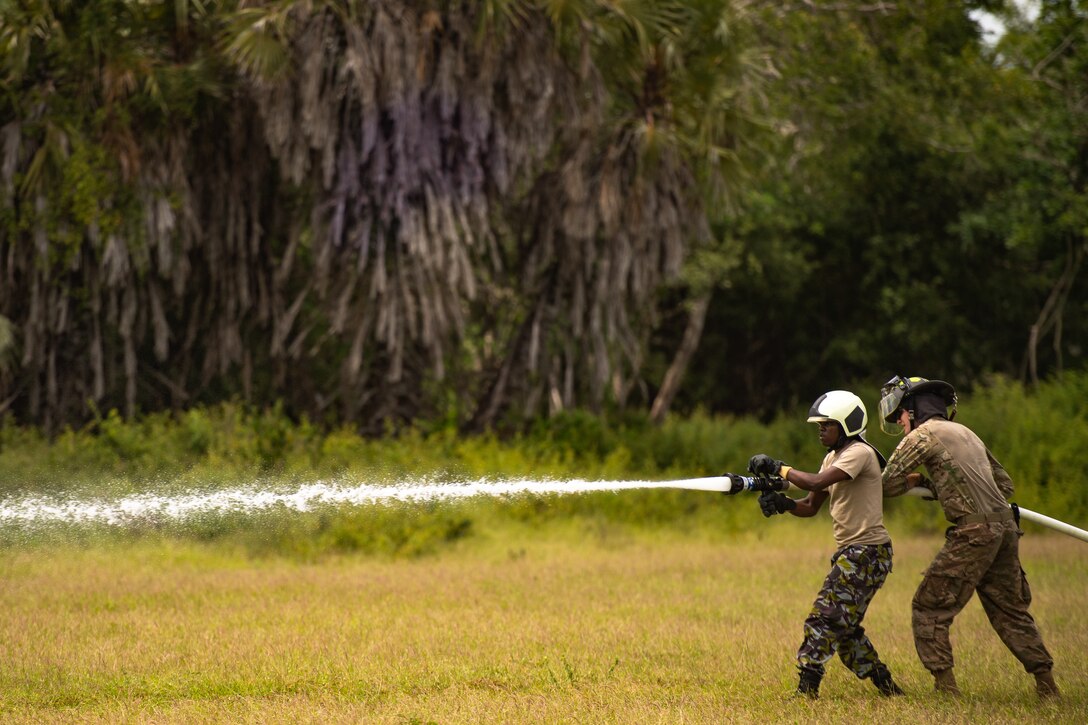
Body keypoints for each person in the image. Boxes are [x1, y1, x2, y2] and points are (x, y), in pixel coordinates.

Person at [877, 375, 1059, 698]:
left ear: (913, 411)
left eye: (900, 417)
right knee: (1010, 611)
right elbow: (1005, 485)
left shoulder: (923, 435)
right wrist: (948, 485)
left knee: (928, 606)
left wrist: (919, 480)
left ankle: (946, 690)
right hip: (1005, 529)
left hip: (974, 532)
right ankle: (1047, 685)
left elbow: (886, 484)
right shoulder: (967, 433)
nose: (900, 425)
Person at [748, 390, 904, 700]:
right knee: (844, 630)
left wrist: (780, 468)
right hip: (852, 553)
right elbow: (809, 504)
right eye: (819, 425)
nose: (820, 430)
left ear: (846, 425)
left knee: (824, 617)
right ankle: (888, 687)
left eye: (826, 425)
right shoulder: (833, 457)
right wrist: (783, 504)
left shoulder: (860, 453)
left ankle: (807, 690)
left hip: (867, 553)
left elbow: (817, 483)